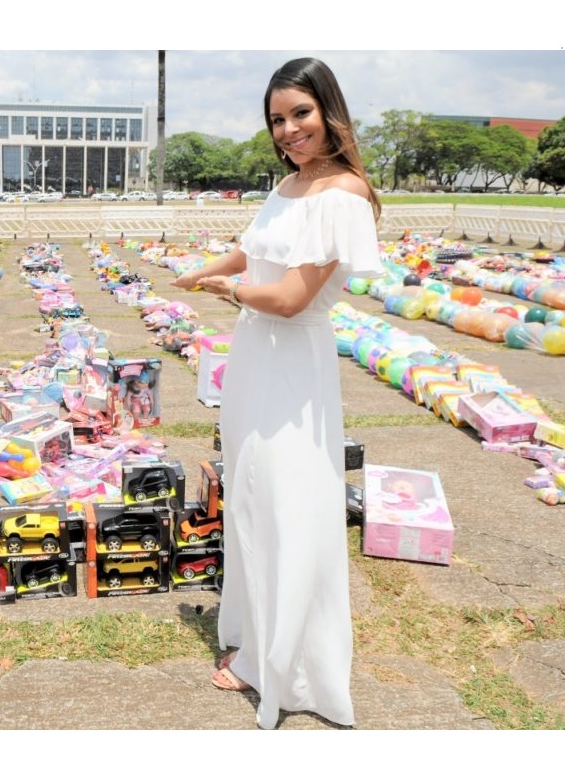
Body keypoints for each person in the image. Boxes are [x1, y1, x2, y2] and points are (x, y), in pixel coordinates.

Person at [170, 57, 382, 730]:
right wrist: (204, 269)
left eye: (301, 114)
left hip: (291, 362)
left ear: (330, 112)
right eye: (277, 120)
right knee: (255, 495)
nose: (289, 130)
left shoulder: (342, 195)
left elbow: (289, 297)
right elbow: (253, 250)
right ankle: (255, 626)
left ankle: (281, 659)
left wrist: (224, 290)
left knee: (290, 501)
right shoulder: (291, 184)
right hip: (254, 360)